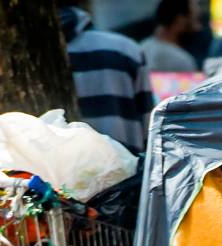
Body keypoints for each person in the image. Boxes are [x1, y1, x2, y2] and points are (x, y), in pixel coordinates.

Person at [59, 1, 154, 153]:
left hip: (43, 173)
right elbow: (150, 129)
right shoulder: (125, 49)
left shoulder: (20, 59)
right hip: (127, 170)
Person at [141, 0, 201, 72]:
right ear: (180, 20)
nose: (198, 28)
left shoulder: (143, 47)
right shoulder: (182, 61)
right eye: (195, 21)